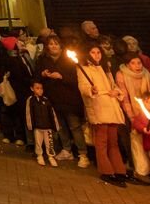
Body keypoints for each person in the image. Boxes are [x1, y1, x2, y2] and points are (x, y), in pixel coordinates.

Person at [77, 44, 127, 186]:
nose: (96, 55)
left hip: (111, 107)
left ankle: (119, 170)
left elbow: (113, 85)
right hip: (99, 107)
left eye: (98, 52)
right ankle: (106, 171)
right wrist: (91, 90)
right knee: (102, 142)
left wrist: (116, 92)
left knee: (113, 141)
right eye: (93, 52)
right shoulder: (84, 69)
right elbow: (84, 88)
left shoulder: (106, 68)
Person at [35, 35, 88, 167]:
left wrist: (61, 77)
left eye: (56, 44)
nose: (53, 46)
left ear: (60, 45)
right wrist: (43, 75)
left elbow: (76, 79)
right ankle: (66, 149)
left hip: (69, 98)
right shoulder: (43, 60)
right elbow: (36, 76)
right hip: (53, 98)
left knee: (74, 126)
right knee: (60, 126)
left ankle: (83, 153)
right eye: (51, 44)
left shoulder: (69, 60)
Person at [115, 52, 150, 183]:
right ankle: (140, 170)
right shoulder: (121, 75)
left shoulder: (146, 74)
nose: (137, 66)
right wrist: (132, 118)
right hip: (131, 113)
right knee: (135, 141)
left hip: (147, 111)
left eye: (139, 63)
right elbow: (125, 98)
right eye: (133, 63)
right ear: (127, 64)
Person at [25, 80, 60, 167]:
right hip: (38, 126)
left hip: (47, 126)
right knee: (38, 142)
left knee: (49, 143)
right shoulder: (31, 100)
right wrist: (30, 125)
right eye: (37, 88)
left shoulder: (46, 100)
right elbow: (29, 113)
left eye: (41, 88)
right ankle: (39, 155)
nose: (40, 90)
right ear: (32, 89)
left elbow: (52, 113)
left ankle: (51, 156)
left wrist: (55, 125)